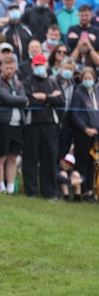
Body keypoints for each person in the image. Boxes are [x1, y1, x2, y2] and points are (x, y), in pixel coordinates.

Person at [22, 53, 64, 199]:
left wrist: (44, 97)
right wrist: (49, 98)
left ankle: (49, 193)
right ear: (33, 66)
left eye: (42, 64)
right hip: (32, 124)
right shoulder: (27, 82)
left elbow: (61, 100)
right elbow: (28, 100)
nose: (39, 67)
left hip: (50, 124)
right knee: (30, 159)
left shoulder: (53, 81)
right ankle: (31, 192)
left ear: (47, 65)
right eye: (36, 65)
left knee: (49, 159)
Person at [0, 57, 26, 194]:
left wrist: (19, 100)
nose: (9, 71)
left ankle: (10, 188)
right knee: (0, 156)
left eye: (12, 68)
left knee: (13, 157)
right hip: (2, 122)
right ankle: (1, 186)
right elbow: (8, 99)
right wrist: (21, 100)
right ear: (1, 68)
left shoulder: (18, 83)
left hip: (17, 123)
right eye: (7, 68)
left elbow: (21, 98)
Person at [70, 66, 99, 202]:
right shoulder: (78, 93)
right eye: (85, 78)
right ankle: (79, 192)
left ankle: (89, 192)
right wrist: (85, 128)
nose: (88, 80)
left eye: (90, 78)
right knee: (82, 162)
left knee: (92, 163)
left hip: (96, 134)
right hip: (83, 133)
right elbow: (74, 114)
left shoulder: (97, 92)